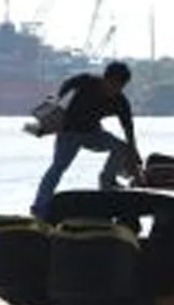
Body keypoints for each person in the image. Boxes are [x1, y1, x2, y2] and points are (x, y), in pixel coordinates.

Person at [30, 61, 142, 219]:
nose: (114, 91)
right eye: (112, 85)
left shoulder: (120, 101)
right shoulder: (85, 81)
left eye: (119, 87)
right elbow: (61, 93)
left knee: (122, 148)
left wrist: (134, 156)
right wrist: (50, 118)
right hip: (69, 132)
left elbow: (129, 131)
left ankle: (107, 183)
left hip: (93, 134)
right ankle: (39, 207)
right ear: (105, 78)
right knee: (58, 167)